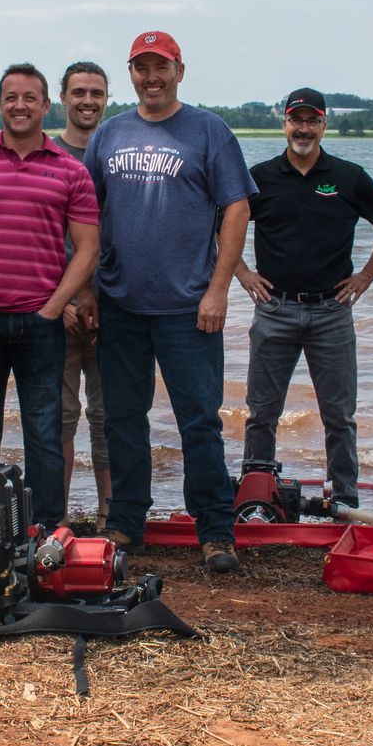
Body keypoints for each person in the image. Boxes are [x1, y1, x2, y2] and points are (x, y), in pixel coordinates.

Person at [86, 31, 255, 573]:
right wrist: (86, 288)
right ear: (130, 73)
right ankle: (127, 520)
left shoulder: (209, 131)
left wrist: (218, 289)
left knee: (200, 422)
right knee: (123, 418)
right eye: (141, 68)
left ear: (180, 70)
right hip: (120, 304)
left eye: (161, 67)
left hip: (189, 309)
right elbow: (86, 215)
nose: (151, 77)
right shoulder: (109, 134)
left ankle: (215, 529)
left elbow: (236, 210)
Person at [0, 64, 100, 528]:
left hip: (41, 323)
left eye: (30, 97)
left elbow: (87, 248)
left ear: (46, 106)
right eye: (11, 97)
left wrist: (53, 307)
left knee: (44, 438)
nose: (20, 105)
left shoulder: (70, 171)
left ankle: (45, 535)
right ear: (0, 103)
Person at [236, 88, 373, 508]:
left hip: (331, 311)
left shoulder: (348, 176)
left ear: (324, 125)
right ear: (284, 124)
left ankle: (345, 499)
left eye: (312, 120)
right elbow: (223, 225)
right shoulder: (259, 178)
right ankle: (257, 498)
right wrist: (243, 272)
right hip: (275, 309)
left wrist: (366, 276)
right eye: (296, 120)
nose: (303, 128)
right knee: (261, 413)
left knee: (339, 417)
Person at [56, 60, 112, 518]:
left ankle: (110, 515)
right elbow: (36, 238)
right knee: (59, 418)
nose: (87, 100)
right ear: (64, 98)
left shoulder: (118, 152)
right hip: (57, 306)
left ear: (107, 99)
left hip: (114, 304)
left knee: (109, 417)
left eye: (96, 92)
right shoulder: (48, 156)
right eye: (79, 92)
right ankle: (57, 515)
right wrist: (64, 300)